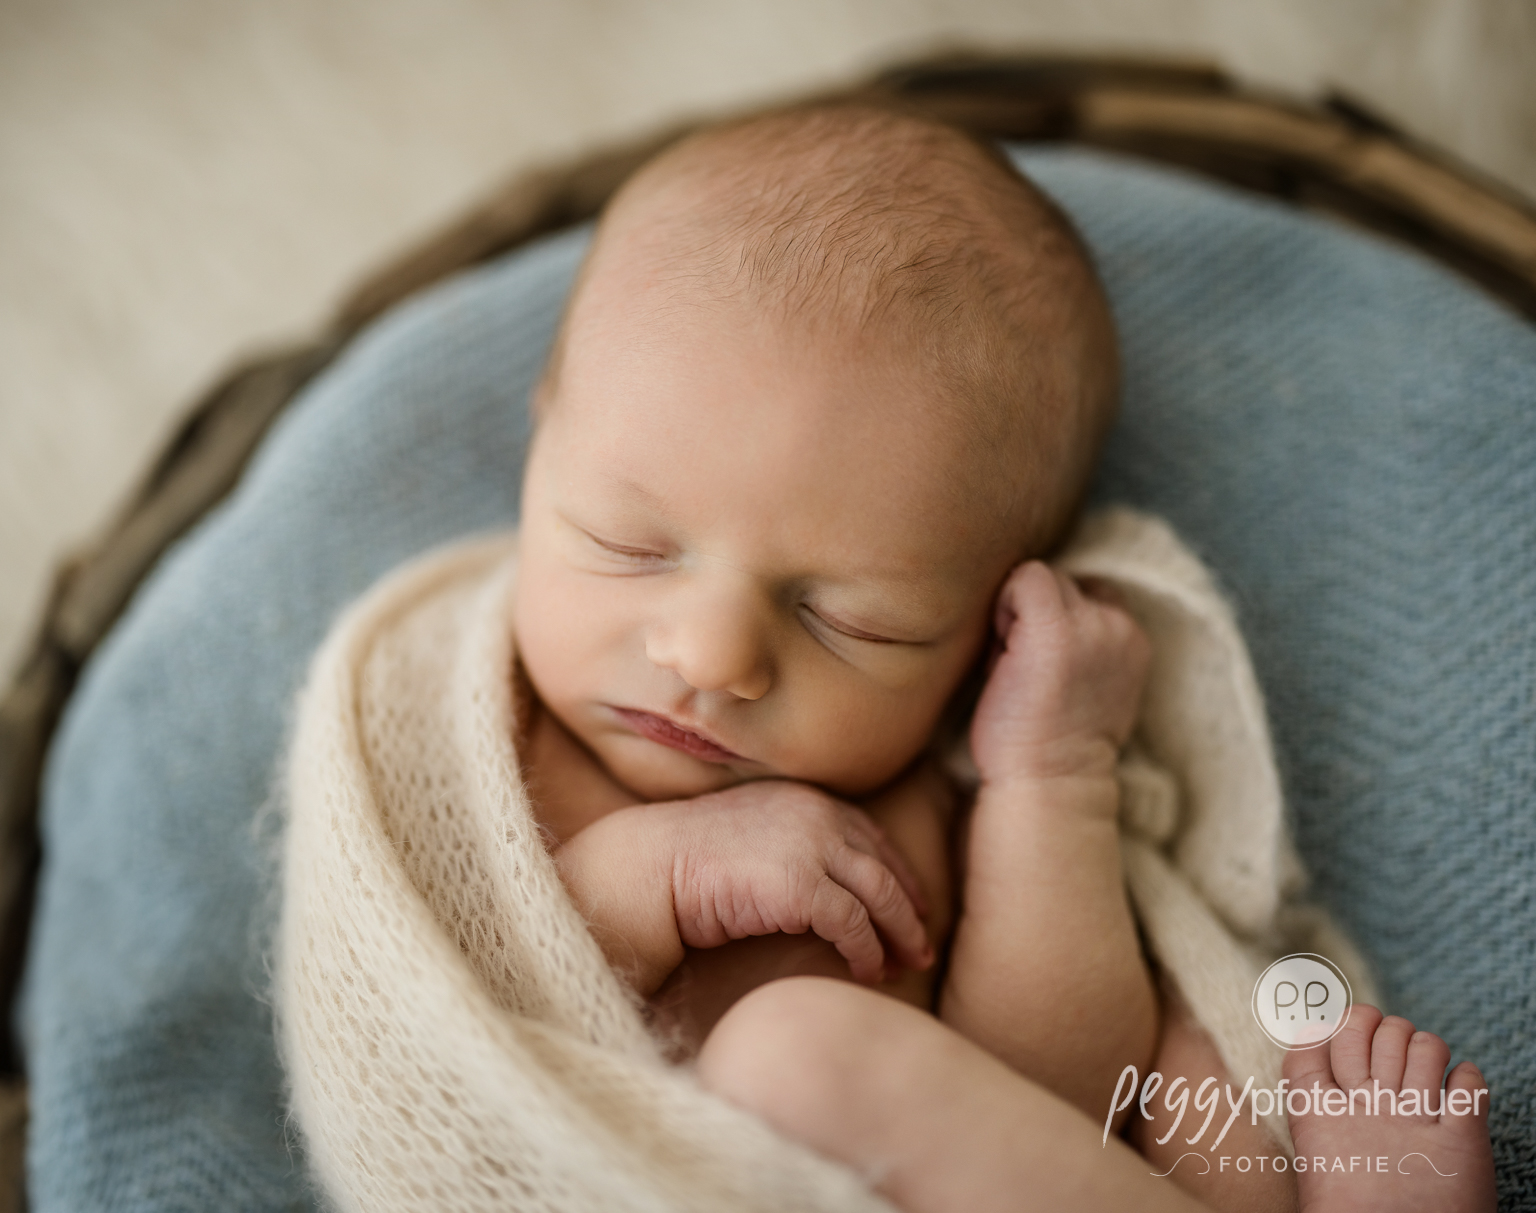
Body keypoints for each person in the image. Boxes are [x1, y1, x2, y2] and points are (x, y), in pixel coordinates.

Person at [507, 103, 1496, 1211]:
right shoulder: (474, 719)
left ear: (988, 621)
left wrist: (1051, 781)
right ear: (542, 431)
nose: (710, 653)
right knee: (786, 1051)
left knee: (1197, 1101)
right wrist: (650, 880)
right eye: (628, 545)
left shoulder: (931, 808)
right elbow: (452, 991)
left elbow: (1058, 1098)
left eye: (853, 621)